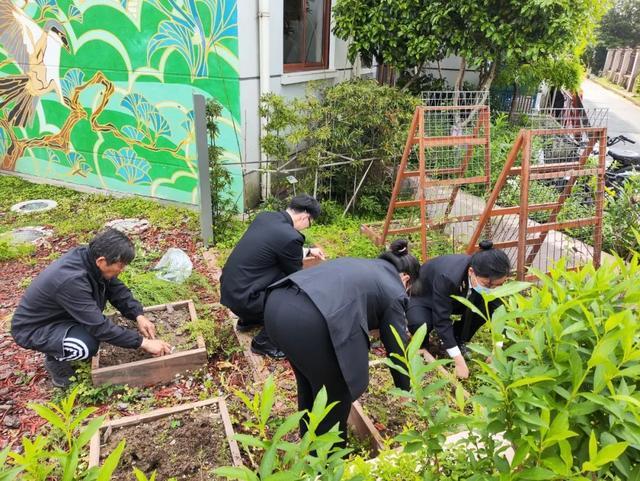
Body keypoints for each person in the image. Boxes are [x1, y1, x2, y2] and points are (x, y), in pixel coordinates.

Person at [263, 239, 420, 444]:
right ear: (406, 278)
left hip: (277, 304)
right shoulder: (394, 289)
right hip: (307, 323)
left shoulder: (365, 264)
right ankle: (329, 460)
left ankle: (308, 438)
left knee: (310, 380)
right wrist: (404, 388)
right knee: (338, 389)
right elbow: (397, 344)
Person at [11, 228, 172, 388]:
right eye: (120, 265)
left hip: (62, 316)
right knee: (87, 345)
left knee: (91, 330)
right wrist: (143, 343)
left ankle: (65, 342)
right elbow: (99, 327)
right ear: (102, 261)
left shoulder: (89, 258)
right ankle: (55, 362)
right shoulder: (72, 281)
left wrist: (138, 315)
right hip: (34, 328)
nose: (122, 270)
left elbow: (116, 289)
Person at [220, 194, 325, 359]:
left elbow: (272, 247)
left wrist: (309, 250)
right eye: (310, 223)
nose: (308, 226)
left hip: (231, 289)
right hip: (245, 299)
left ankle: (248, 320)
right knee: (295, 299)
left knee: (274, 274)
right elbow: (297, 278)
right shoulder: (290, 237)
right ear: (305, 216)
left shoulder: (266, 217)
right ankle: (263, 343)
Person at [406, 240, 510, 379]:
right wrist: (459, 362)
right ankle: (422, 347)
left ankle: (457, 338)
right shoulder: (447, 276)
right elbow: (442, 319)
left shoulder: (488, 280)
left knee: (482, 309)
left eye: (499, 285)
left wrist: (497, 350)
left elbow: (499, 312)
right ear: (471, 271)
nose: (492, 289)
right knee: (420, 324)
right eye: (487, 285)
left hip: (458, 298)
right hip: (426, 297)